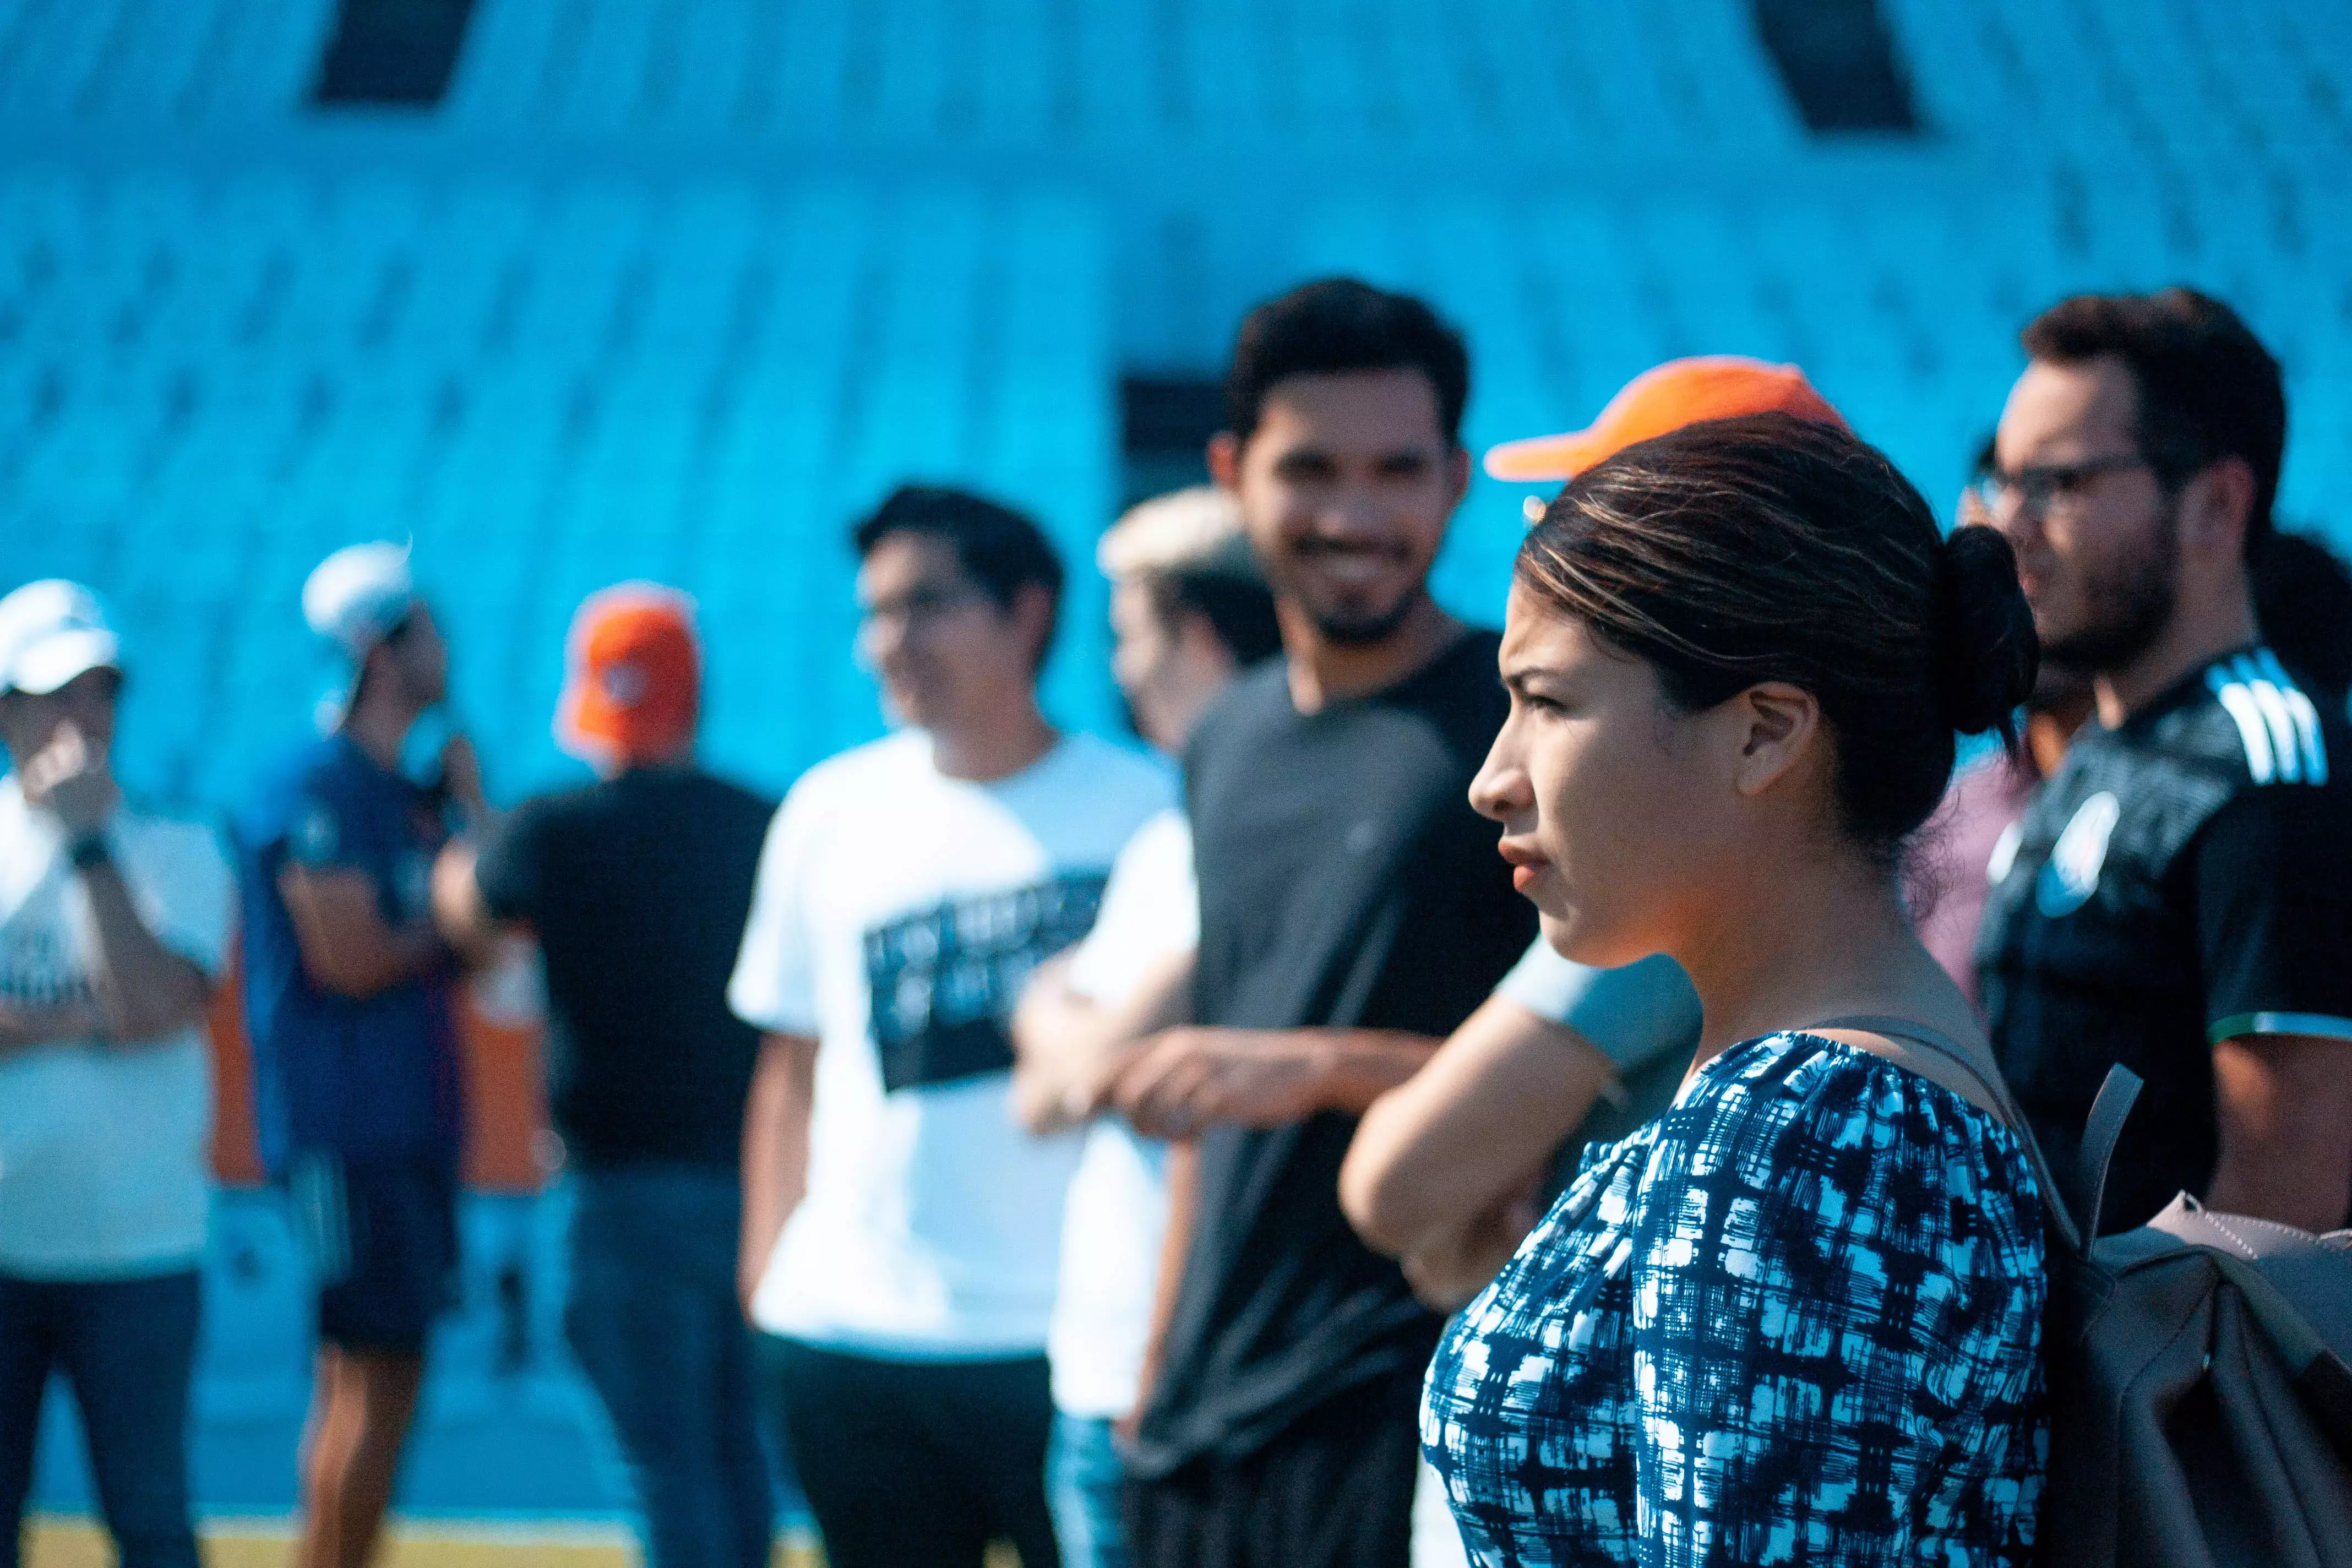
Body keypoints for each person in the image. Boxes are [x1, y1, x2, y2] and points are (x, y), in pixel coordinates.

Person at [1424, 413, 2048, 1562]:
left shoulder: (1811, 1132)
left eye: (1550, 701)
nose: (1492, 779)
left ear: (1763, 734)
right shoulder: (1833, 1100)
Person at [1113, 279, 1537, 1568]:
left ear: (1457, 478)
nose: (1354, 515)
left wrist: (1305, 1067)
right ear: (1235, 474)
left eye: (1396, 469)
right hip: (1199, 1406)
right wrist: (1156, 1361)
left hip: (1403, 1387)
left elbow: (1599, 1085)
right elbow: (1216, 1066)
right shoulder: (1225, 735)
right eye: (1311, 470)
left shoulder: (1528, 725)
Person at [729, 486, 1172, 1568]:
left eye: (925, 603)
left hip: (1069, 1341)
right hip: (851, 1334)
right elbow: (790, 1068)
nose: (889, 640)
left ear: (1028, 611)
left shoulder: (1153, 805)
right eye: (874, 611)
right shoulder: (827, 811)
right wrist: (766, 1279)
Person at [1974, 288, 2352, 1234]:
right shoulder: (2106, 746)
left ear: (2214, 506)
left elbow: (2281, 1200)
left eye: (2059, 484)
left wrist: (2129, 1385)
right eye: (2004, 478)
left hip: (2153, 1378)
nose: (2010, 524)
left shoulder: (2266, 779)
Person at [432, 585, 776, 1568]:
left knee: (660, 1468)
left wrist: (467, 827)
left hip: (617, 1188)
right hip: (749, 1186)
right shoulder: (763, 822)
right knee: (732, 1456)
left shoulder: (553, 828)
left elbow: (469, 911)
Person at [1006, 486, 1280, 1568]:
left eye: (1130, 634)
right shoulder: (1175, 834)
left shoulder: (1228, 837)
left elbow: (1072, 1080)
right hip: (1126, 1363)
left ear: (1198, 633)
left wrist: (1044, 1002)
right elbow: (1065, 1084)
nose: (1118, 669)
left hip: (1161, 1376)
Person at [236, 543, 487, 1568]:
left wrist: (470, 821)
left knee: (393, 1375)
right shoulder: (313, 783)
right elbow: (354, 958)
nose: (446, 645)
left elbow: (494, 938)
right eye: (424, 625)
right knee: (364, 1373)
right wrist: (453, 904)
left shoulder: (409, 795)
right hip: (348, 1127)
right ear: (380, 649)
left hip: (409, 1122)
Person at [0, 582, 231, 1568]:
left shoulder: (178, 848)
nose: (83, 717)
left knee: (150, 1521)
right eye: (58, 693)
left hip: (141, 1249)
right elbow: (129, 1016)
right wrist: (89, 1022)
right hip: (5, 1247)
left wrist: (90, 844)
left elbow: (147, 1011)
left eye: (100, 692)